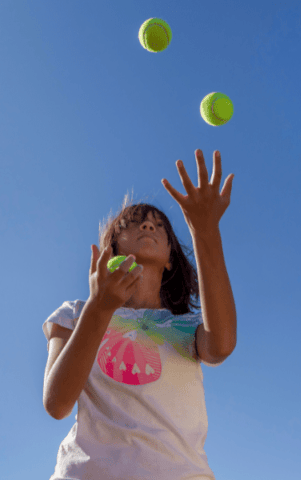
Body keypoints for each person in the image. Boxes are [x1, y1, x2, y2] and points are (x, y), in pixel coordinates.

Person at [42, 149, 237, 480]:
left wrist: (205, 231)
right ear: (113, 247)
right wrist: (99, 308)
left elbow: (221, 345)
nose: (149, 223)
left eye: (160, 225)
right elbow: (57, 403)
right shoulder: (75, 314)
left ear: (170, 258)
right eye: (134, 222)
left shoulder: (187, 327)